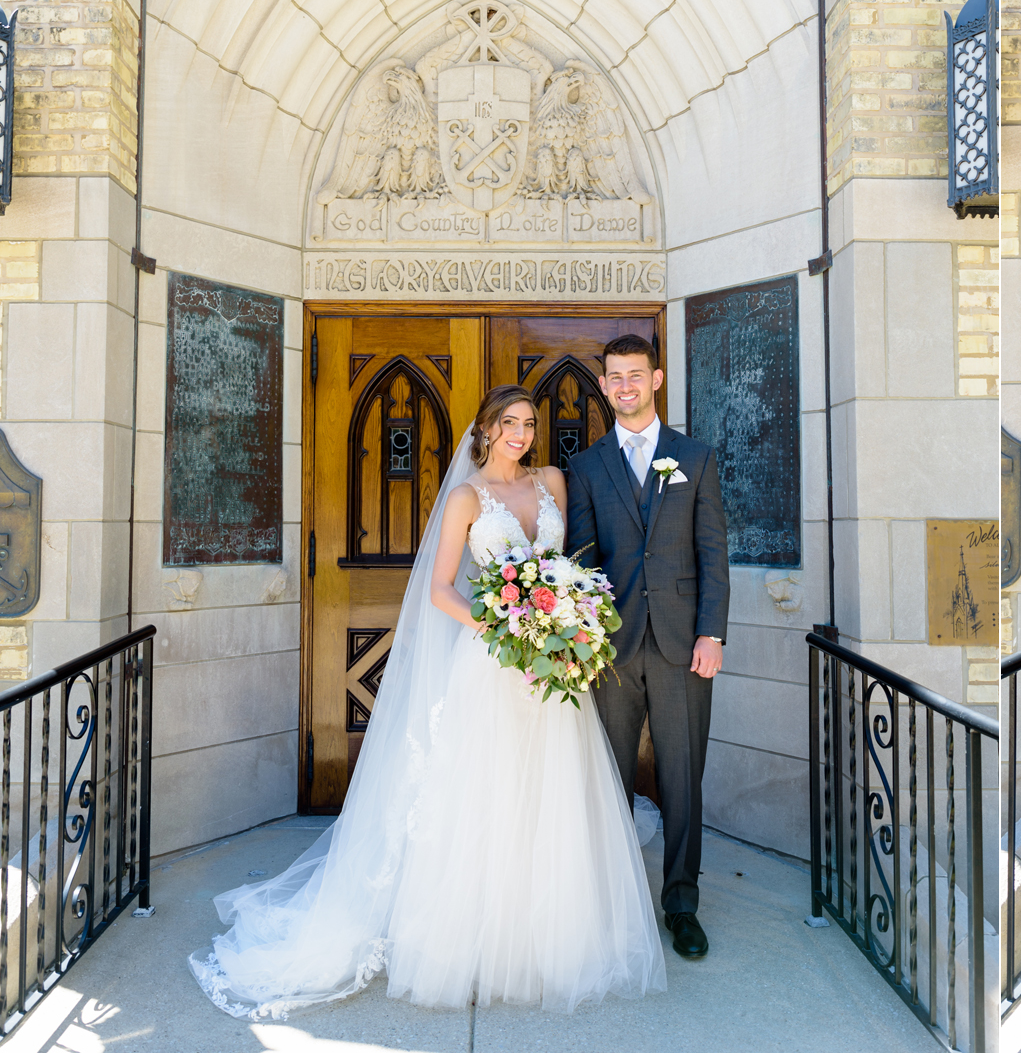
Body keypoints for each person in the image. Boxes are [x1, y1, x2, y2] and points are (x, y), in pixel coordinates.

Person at [190, 385, 667, 1019]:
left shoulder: (554, 479)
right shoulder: (468, 499)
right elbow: (442, 589)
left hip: (554, 671)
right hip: (493, 661)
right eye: (509, 424)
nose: (521, 434)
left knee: (548, 796)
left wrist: (570, 618)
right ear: (487, 430)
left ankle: (542, 936)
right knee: (482, 799)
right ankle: (469, 943)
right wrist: (506, 628)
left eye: (529, 423)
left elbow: (572, 560)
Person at [563, 334, 730, 962]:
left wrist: (712, 632)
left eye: (637, 375)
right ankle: (612, 898)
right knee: (608, 776)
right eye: (615, 377)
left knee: (683, 776)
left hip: (685, 645)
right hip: (611, 646)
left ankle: (681, 903)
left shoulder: (696, 457)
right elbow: (581, 559)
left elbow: (713, 553)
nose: (625, 386)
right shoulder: (586, 466)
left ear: (656, 380)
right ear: (603, 386)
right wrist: (579, 637)